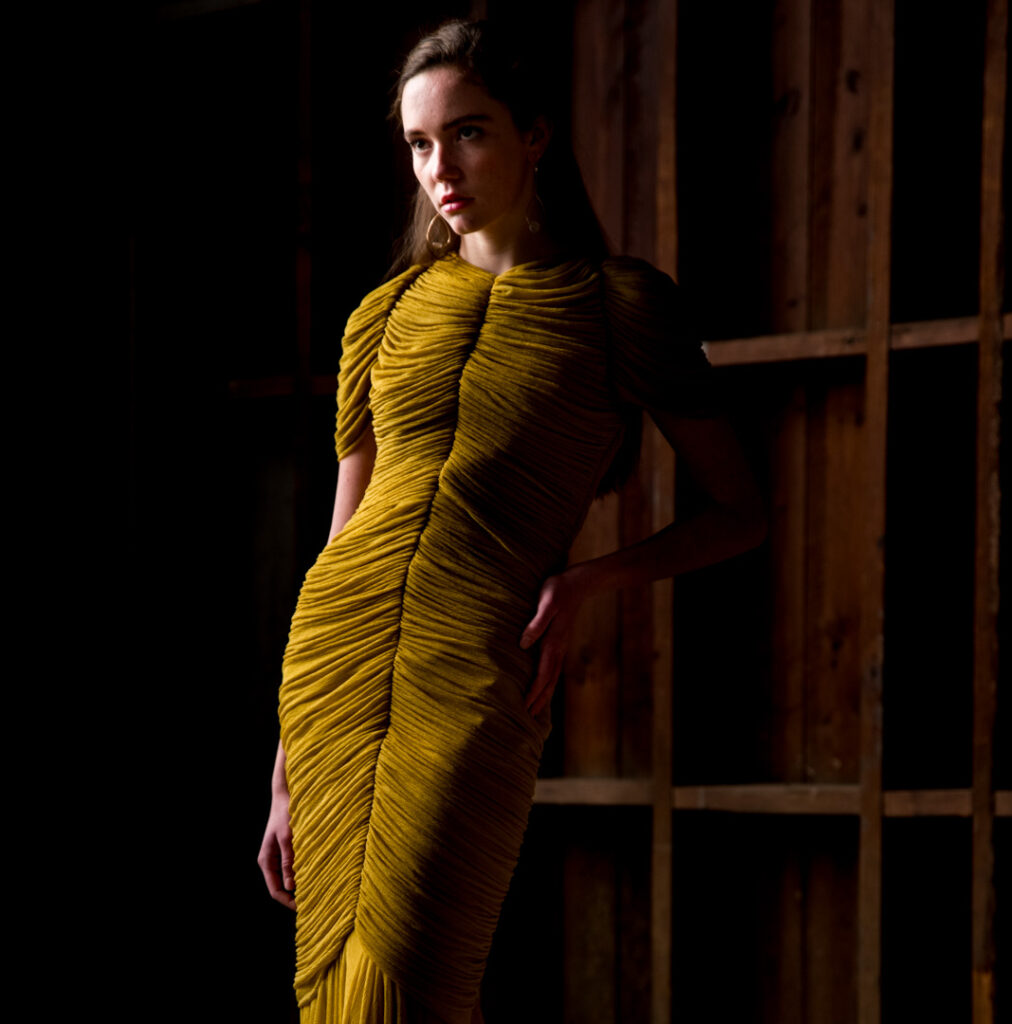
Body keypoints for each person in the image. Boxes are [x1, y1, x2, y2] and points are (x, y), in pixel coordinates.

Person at [259, 18, 765, 1024]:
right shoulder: (382, 316)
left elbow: (742, 513)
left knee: (412, 976)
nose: (439, 168)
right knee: (334, 986)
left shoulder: (619, 306)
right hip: (333, 665)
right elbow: (340, 539)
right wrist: (281, 772)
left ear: (534, 135)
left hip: (473, 669)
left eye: (468, 132)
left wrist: (587, 581)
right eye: (419, 144)